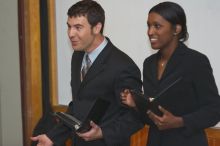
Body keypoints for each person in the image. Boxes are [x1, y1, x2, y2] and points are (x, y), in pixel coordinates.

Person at [31, 0, 143, 146]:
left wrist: (102, 132)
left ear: (97, 27)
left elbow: (135, 117)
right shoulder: (77, 57)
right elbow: (77, 106)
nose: (71, 33)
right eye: (69, 27)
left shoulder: (123, 66)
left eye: (78, 27)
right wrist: (53, 137)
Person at [121, 2, 220, 146]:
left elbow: (214, 110)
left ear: (176, 29)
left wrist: (180, 122)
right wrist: (136, 105)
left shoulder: (196, 61)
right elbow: (152, 115)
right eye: (148, 25)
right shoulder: (148, 64)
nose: (150, 31)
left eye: (157, 26)